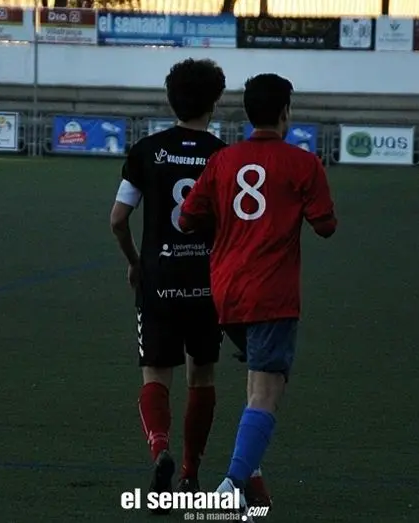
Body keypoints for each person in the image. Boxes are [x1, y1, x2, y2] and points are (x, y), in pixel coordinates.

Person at [178, 73, 338, 518]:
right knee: (268, 392)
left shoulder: (223, 160)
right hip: (272, 295)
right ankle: (231, 485)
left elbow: (188, 218)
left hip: (226, 293)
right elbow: (326, 225)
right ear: (286, 112)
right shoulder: (303, 163)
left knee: (257, 387)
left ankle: (251, 481)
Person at [109, 58, 231, 514]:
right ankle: (190, 474)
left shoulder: (147, 151)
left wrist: (135, 262)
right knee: (202, 375)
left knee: (155, 375)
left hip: (159, 280)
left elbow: (118, 219)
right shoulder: (223, 156)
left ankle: (160, 448)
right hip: (206, 282)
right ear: (214, 102)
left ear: (171, 99)